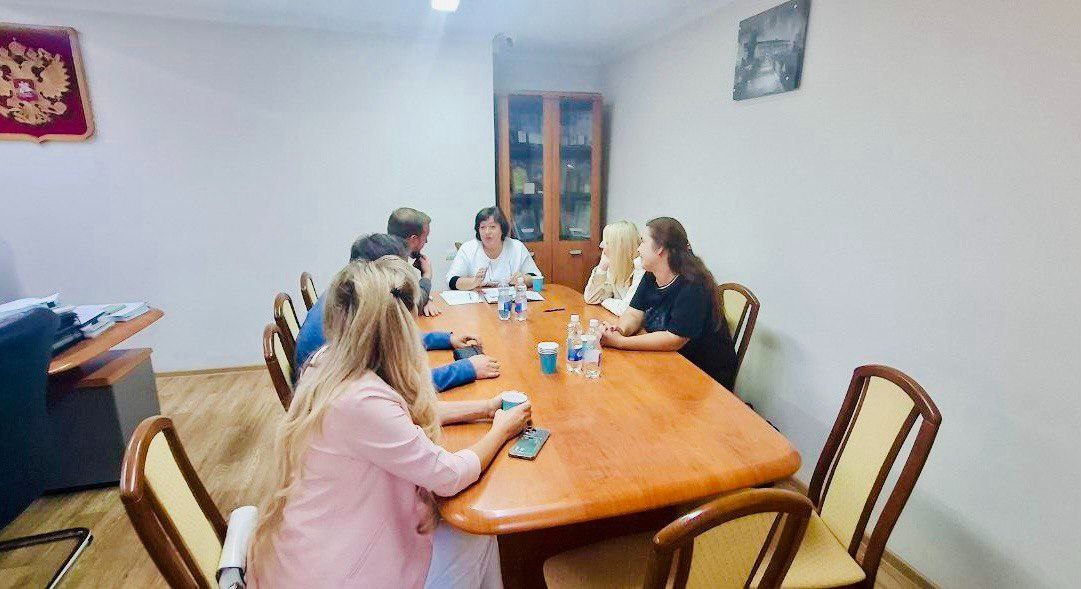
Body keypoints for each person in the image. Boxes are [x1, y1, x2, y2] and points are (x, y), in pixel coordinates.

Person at [248, 256, 532, 588]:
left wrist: (484, 407)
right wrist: (501, 430)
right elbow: (449, 475)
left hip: (311, 547)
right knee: (475, 535)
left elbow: (399, 421)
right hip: (337, 573)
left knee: (472, 535)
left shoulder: (329, 363)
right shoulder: (362, 401)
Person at [295, 234, 501, 390]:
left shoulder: (347, 295)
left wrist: (447, 339)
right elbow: (399, 386)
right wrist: (467, 369)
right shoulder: (355, 313)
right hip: (330, 400)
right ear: (377, 274)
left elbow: (394, 334)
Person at [599, 217, 738, 389]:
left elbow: (674, 339)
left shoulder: (694, 284)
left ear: (660, 249)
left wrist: (621, 342)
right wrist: (620, 330)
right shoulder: (651, 274)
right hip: (668, 360)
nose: (638, 248)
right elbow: (634, 312)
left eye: (643, 242)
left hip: (704, 376)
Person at [446, 207, 542, 290]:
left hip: (510, 301)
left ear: (502, 229)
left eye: (492, 227)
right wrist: (473, 282)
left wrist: (523, 279)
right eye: (482, 227)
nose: (487, 232)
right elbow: (451, 280)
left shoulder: (517, 247)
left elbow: (536, 277)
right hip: (478, 302)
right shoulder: (468, 249)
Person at [583, 220, 645, 316]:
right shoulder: (615, 267)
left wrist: (605, 301)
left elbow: (627, 311)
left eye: (607, 242)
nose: (601, 245)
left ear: (620, 247)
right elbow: (591, 298)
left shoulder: (642, 269)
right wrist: (602, 268)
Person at [388, 207, 440, 317]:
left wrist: (427, 299)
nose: (426, 241)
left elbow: (411, 296)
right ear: (413, 239)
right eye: (425, 237)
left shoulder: (388, 253)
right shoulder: (394, 265)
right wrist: (426, 275)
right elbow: (411, 304)